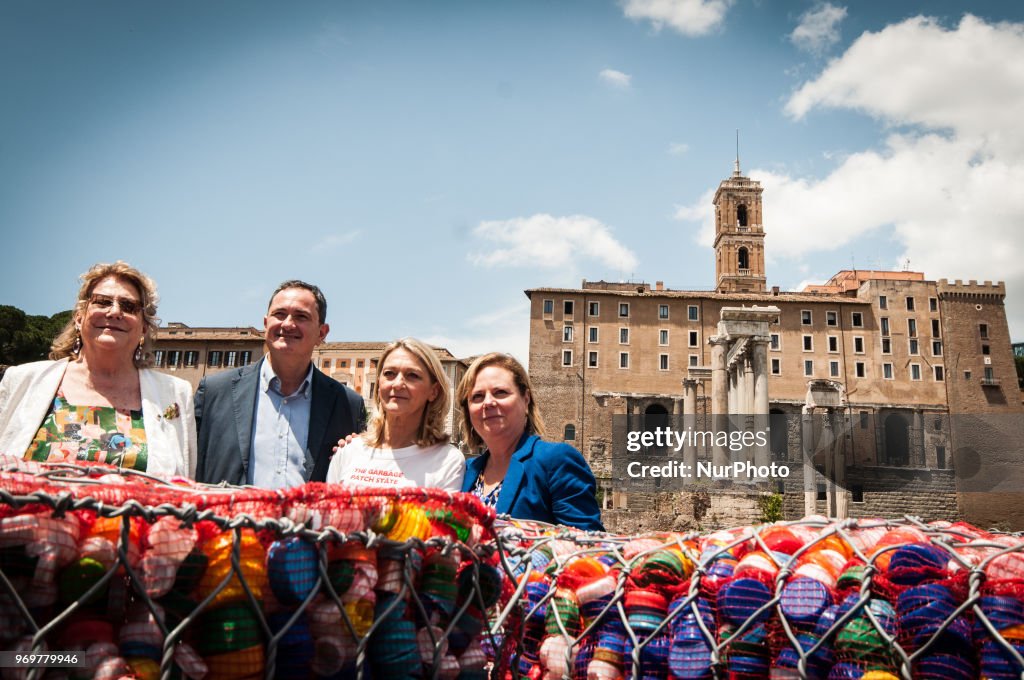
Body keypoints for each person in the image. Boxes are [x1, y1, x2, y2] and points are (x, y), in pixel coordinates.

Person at [0, 262, 196, 478]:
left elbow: (184, 485)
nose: (114, 312)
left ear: (144, 328)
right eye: (102, 302)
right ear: (79, 317)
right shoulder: (21, 381)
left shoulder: (176, 394)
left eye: (129, 307)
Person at [194, 280, 365, 487]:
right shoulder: (215, 392)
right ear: (266, 324)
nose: (287, 324)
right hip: (228, 518)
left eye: (301, 316)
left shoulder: (348, 405)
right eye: (280, 314)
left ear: (322, 333)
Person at [457, 353, 603, 530]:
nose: (488, 402)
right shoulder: (466, 470)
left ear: (526, 399)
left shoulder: (556, 460)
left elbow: (589, 545)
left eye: (500, 392)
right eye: (477, 396)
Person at [327, 338, 464, 491]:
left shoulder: (448, 461)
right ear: (379, 385)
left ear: (434, 391)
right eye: (389, 373)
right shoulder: (348, 450)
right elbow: (325, 512)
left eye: (412, 375)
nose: (397, 384)